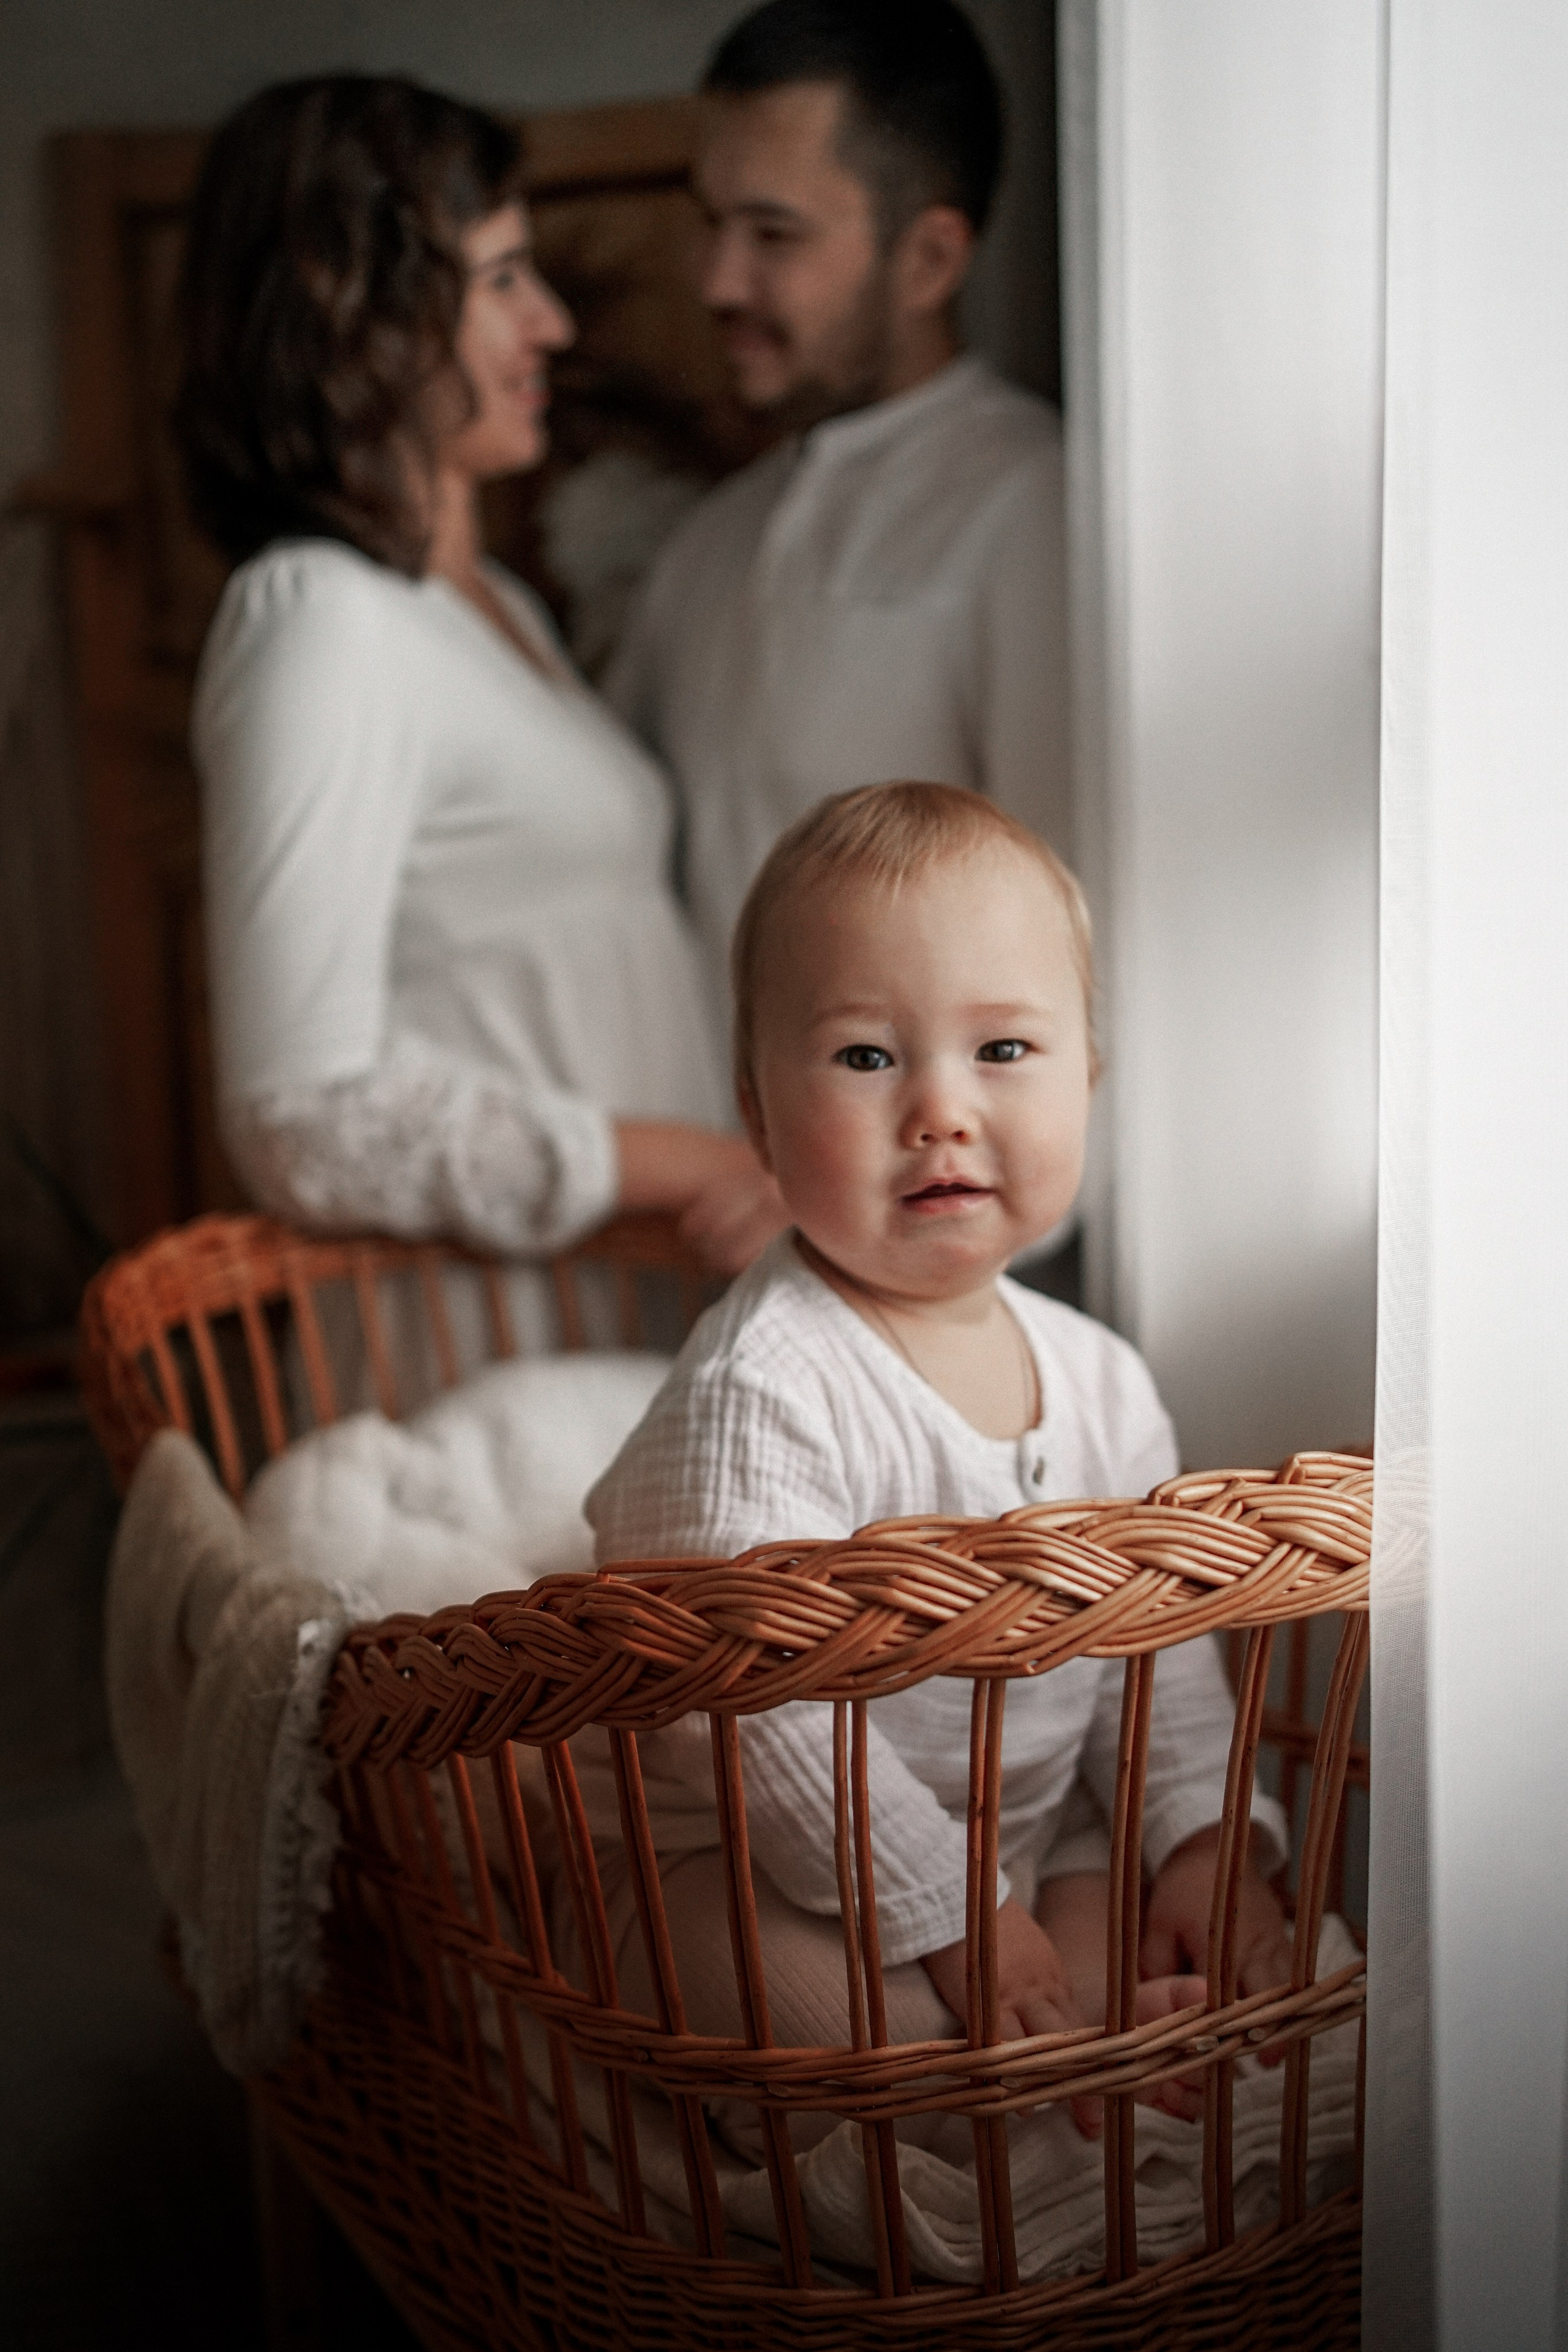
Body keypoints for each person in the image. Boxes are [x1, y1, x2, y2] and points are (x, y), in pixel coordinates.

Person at [578, 783, 1291, 2138]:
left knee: (1136, 1959)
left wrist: (1201, 1844)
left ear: (1086, 1074)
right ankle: (999, 2083)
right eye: (862, 1059)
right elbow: (758, 1715)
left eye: (1004, 1049)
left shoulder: (1099, 1378)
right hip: (754, 1863)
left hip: (1024, 1840)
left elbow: (1158, 1655)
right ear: (756, 1112)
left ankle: (1077, 2066)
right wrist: (955, 1917)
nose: (939, 1112)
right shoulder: (764, 1385)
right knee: (813, 2037)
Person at [176, 76, 785, 1277]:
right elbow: (304, 1112)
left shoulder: (491, 605)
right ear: (364, 313)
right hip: (491, 1339)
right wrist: (694, 1164)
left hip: (626, 1295)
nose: (550, 324)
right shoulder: (318, 619)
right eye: (502, 279)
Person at [607, 0, 1071, 1012]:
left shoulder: (1037, 509)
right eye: (712, 223)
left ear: (929, 260)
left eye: (772, 233)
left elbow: (1067, 944)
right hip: (707, 1160)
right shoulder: (703, 545)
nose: (718, 280)